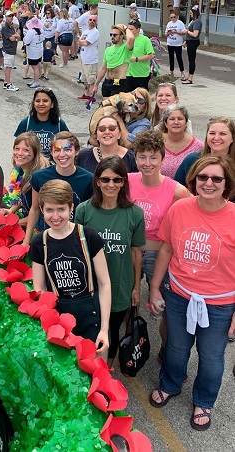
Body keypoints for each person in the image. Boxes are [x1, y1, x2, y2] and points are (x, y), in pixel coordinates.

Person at [148, 155, 235, 431]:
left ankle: (204, 401)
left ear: (226, 184)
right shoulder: (180, 208)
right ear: (194, 180)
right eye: (202, 178)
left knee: (211, 357)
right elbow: (166, 249)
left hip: (220, 305)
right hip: (178, 295)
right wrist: (154, 288)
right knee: (176, 346)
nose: (208, 183)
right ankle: (171, 384)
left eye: (216, 178)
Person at [75, 156, 146, 367]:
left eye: (117, 180)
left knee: (112, 329)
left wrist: (136, 288)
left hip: (120, 285)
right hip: (90, 285)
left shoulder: (134, 213)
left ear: (124, 182)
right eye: (105, 180)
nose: (111, 185)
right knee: (89, 328)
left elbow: (136, 253)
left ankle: (106, 370)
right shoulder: (84, 210)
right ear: (97, 181)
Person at [129, 130, 192, 361]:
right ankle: (129, 341)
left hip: (159, 255)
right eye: (142, 157)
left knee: (165, 309)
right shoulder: (127, 180)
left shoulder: (176, 190)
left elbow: (193, 214)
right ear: (135, 158)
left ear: (162, 159)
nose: (147, 163)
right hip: (132, 251)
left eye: (153, 157)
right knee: (129, 301)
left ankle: (167, 348)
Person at [29, 179, 111, 351]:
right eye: (49, 210)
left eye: (61, 209)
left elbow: (104, 284)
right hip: (59, 317)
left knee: (95, 371)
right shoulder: (39, 243)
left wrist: (104, 329)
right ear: (42, 209)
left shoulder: (88, 236)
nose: (56, 216)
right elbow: (40, 288)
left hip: (91, 316)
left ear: (71, 208)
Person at [23, 131, 94, 244]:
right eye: (57, 150)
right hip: (45, 236)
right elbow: (35, 209)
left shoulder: (88, 179)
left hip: (74, 239)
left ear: (76, 151)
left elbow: (88, 214)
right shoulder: (39, 177)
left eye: (67, 149)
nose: (62, 154)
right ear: (51, 152)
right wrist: (26, 241)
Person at [0, 132, 50, 226]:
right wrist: (10, 210)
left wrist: (12, 223)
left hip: (41, 226)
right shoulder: (20, 170)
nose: (20, 153)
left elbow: (38, 214)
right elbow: (21, 198)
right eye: (17, 149)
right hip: (26, 218)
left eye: (26, 150)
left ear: (35, 153)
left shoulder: (39, 177)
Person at [175, 116, 235, 189]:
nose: (216, 138)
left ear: (232, 138)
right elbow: (175, 188)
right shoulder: (191, 160)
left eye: (222, 134)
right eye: (212, 133)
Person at [14, 88, 69, 158]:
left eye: (45, 101)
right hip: (30, 165)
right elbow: (18, 149)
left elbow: (69, 145)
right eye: (37, 101)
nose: (41, 104)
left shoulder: (60, 124)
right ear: (34, 104)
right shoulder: (25, 123)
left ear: (52, 104)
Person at [161, 104, 203, 178]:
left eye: (180, 119)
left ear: (186, 123)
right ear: (165, 123)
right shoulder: (156, 143)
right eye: (172, 119)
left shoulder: (199, 147)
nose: (176, 122)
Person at [92, 24, 135, 97]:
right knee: (106, 106)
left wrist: (125, 28)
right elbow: (103, 69)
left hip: (119, 83)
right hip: (107, 81)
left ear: (121, 36)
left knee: (115, 106)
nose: (112, 37)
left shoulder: (125, 48)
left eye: (115, 35)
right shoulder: (108, 50)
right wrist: (96, 84)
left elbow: (131, 38)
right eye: (111, 34)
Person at [126, 20, 154, 91]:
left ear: (138, 30)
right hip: (128, 73)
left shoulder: (145, 40)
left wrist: (136, 59)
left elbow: (151, 55)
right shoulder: (126, 40)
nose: (129, 31)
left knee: (141, 98)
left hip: (141, 74)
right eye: (128, 29)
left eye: (131, 29)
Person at [78, 14, 99, 100]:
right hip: (84, 59)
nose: (92, 22)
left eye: (94, 20)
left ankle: (91, 97)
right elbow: (81, 43)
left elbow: (86, 43)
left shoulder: (95, 32)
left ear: (96, 22)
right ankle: (86, 94)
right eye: (90, 20)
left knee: (91, 80)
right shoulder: (86, 31)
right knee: (85, 79)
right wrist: (81, 41)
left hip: (91, 60)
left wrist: (80, 40)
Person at [182, 5, 202, 85]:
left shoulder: (197, 22)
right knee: (190, 60)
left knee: (192, 60)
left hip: (193, 42)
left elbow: (195, 34)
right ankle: (189, 76)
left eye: (191, 13)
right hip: (190, 42)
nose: (190, 14)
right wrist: (186, 41)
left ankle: (190, 78)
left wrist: (187, 31)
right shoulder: (193, 21)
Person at [2, 11, 21, 92]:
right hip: (8, 49)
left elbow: (17, 36)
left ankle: (6, 83)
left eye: (12, 16)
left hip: (11, 49)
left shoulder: (11, 27)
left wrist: (16, 35)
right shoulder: (5, 27)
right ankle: (8, 84)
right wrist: (16, 35)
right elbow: (12, 38)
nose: (11, 17)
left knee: (9, 67)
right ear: (6, 17)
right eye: (9, 16)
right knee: (8, 67)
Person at [23, 16, 44, 89]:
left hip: (33, 52)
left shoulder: (31, 31)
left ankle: (36, 81)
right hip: (39, 51)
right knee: (37, 66)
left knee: (35, 68)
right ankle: (35, 80)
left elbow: (26, 41)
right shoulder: (41, 30)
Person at [166, 12, 186, 79]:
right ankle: (171, 71)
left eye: (174, 17)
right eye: (171, 17)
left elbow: (183, 32)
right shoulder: (169, 24)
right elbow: (166, 33)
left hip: (178, 44)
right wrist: (168, 33)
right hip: (170, 43)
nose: (173, 18)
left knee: (179, 57)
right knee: (171, 58)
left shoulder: (180, 23)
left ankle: (182, 72)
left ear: (176, 17)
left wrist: (176, 32)